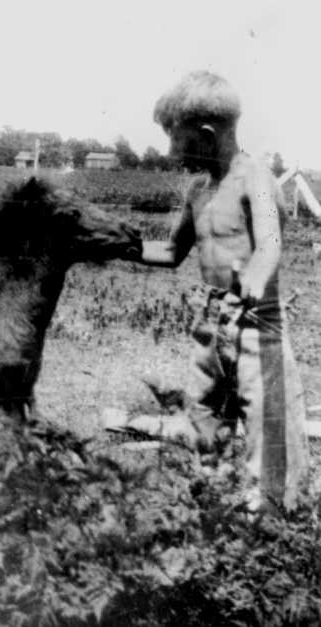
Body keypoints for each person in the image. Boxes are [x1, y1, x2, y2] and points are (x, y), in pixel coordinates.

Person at [139, 71, 309, 510]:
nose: (172, 153)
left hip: (256, 320)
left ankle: (272, 521)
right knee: (202, 416)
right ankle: (210, 504)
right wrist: (118, 242)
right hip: (210, 322)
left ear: (209, 135)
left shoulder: (256, 177)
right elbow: (172, 250)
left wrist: (254, 276)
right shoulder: (198, 189)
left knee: (269, 426)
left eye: (179, 141)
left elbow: (270, 242)